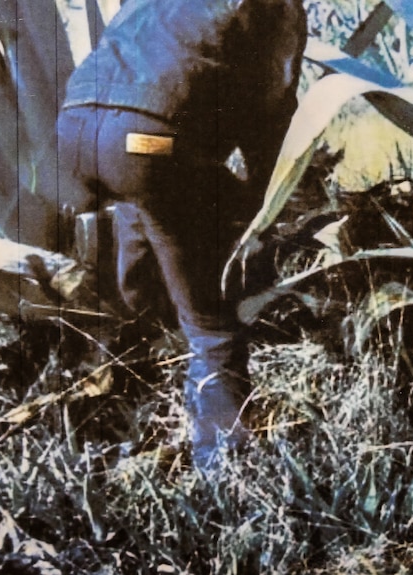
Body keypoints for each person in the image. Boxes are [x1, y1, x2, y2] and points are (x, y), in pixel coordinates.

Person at [56, 0, 307, 471]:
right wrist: (262, 214)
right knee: (212, 328)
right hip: (149, 143)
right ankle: (226, 473)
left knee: (148, 220)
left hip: (77, 130)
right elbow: (270, 120)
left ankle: (111, 419)